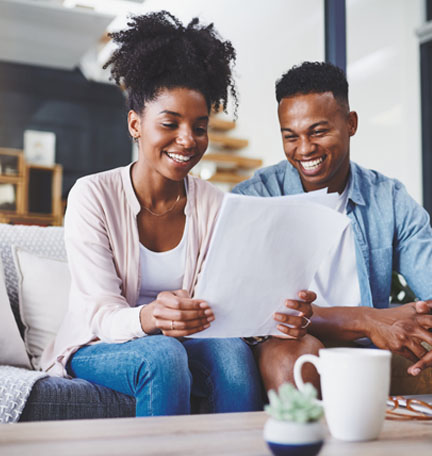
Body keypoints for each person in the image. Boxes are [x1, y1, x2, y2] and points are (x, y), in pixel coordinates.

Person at [40, 11, 266, 417]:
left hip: (184, 339)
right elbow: (100, 313)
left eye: (199, 126)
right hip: (97, 342)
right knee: (161, 355)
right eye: (170, 123)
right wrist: (149, 316)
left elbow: (219, 300)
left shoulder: (213, 202)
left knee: (232, 354)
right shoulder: (93, 196)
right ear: (135, 124)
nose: (188, 140)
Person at [233, 61, 432, 389]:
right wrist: (365, 319)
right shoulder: (256, 198)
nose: (305, 149)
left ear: (350, 123)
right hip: (295, 340)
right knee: (292, 362)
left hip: (369, 346)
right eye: (291, 137)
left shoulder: (389, 199)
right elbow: (260, 310)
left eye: (318, 131)